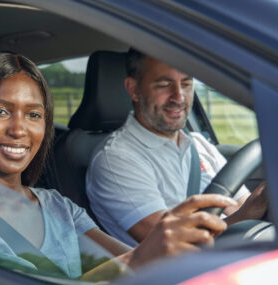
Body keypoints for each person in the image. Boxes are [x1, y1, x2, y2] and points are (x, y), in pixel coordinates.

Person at [0, 52, 235, 281]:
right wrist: (142, 256)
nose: (19, 130)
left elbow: (121, 265)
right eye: (1, 111)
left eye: (34, 115)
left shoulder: (59, 207)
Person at [86, 48, 267, 247]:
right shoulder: (116, 160)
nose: (179, 97)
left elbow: (241, 206)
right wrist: (245, 215)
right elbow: (171, 244)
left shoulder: (199, 144)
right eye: (164, 85)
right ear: (134, 89)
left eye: (186, 84)